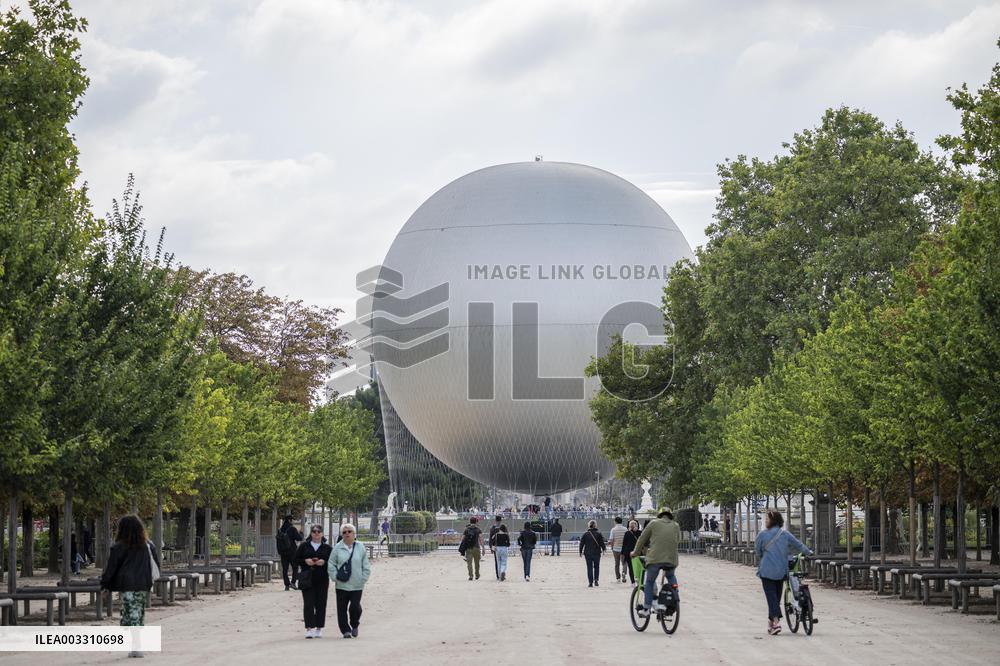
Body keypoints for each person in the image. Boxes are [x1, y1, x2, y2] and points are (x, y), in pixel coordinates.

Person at [100, 515, 160, 658]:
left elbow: (111, 568)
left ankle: (136, 645)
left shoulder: (119, 546)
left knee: (132, 612)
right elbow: (156, 564)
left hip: (127, 583)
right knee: (136, 611)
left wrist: (105, 585)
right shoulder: (148, 545)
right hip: (143, 583)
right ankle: (135, 642)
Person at [755, 509, 811, 636]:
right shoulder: (785, 534)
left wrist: (766, 556)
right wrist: (809, 553)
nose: (765, 521)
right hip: (781, 571)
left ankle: (776, 622)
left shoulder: (762, 535)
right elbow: (799, 545)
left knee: (771, 597)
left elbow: (758, 552)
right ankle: (771, 622)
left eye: (767, 519)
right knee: (776, 597)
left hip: (767, 571)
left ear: (771, 521)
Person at [631, 506, 680, 617]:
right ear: (670, 516)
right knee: (671, 576)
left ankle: (647, 608)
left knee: (649, 582)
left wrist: (635, 553)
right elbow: (678, 540)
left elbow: (642, 539)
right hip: (671, 559)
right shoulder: (676, 525)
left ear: (660, 515)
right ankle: (676, 596)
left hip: (655, 559)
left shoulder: (653, 523)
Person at [327, 523, 371, 639]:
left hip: (357, 584)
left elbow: (365, 564)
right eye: (344, 532)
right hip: (342, 584)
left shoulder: (360, 547)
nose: (347, 534)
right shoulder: (337, 547)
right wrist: (335, 577)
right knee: (341, 609)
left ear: (354, 533)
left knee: (355, 607)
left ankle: (355, 624)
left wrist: (364, 578)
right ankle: (345, 630)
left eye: (349, 531)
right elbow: (331, 563)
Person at [295, 524, 333, 639]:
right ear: (311, 533)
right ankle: (309, 628)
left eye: (319, 531)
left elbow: (333, 562)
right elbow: (295, 559)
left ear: (322, 533)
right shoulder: (304, 546)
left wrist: (324, 562)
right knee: (308, 603)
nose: (316, 533)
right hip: (307, 578)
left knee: (321, 603)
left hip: (322, 578)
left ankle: (319, 628)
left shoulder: (327, 548)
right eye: (314, 531)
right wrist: (305, 561)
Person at [277, 515, 302, 591]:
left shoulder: (281, 530)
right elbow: (299, 538)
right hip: (292, 552)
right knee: (295, 567)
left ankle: (287, 585)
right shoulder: (292, 529)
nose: (293, 521)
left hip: (283, 552)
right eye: (292, 520)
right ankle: (293, 583)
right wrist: (300, 533)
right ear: (290, 520)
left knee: (285, 569)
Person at [579, 519, 606, 587]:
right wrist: (604, 549)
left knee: (589, 567)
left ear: (589, 526)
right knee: (597, 567)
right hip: (596, 552)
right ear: (595, 525)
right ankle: (596, 580)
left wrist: (580, 551)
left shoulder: (585, 534)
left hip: (587, 553)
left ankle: (590, 582)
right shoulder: (599, 533)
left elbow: (581, 543)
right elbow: (602, 543)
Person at [620, 519, 641, 585]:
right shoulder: (640, 532)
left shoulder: (627, 533)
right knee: (638, 566)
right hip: (638, 552)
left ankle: (632, 582)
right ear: (636, 525)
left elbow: (624, 544)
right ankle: (638, 579)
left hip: (628, 553)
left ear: (629, 526)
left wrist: (622, 553)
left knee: (630, 567)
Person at [608, 517, 627, 583]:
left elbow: (611, 540)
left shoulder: (613, 529)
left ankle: (618, 578)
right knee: (624, 563)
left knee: (617, 564)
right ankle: (624, 573)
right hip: (624, 549)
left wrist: (612, 547)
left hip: (616, 549)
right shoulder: (625, 529)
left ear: (615, 522)